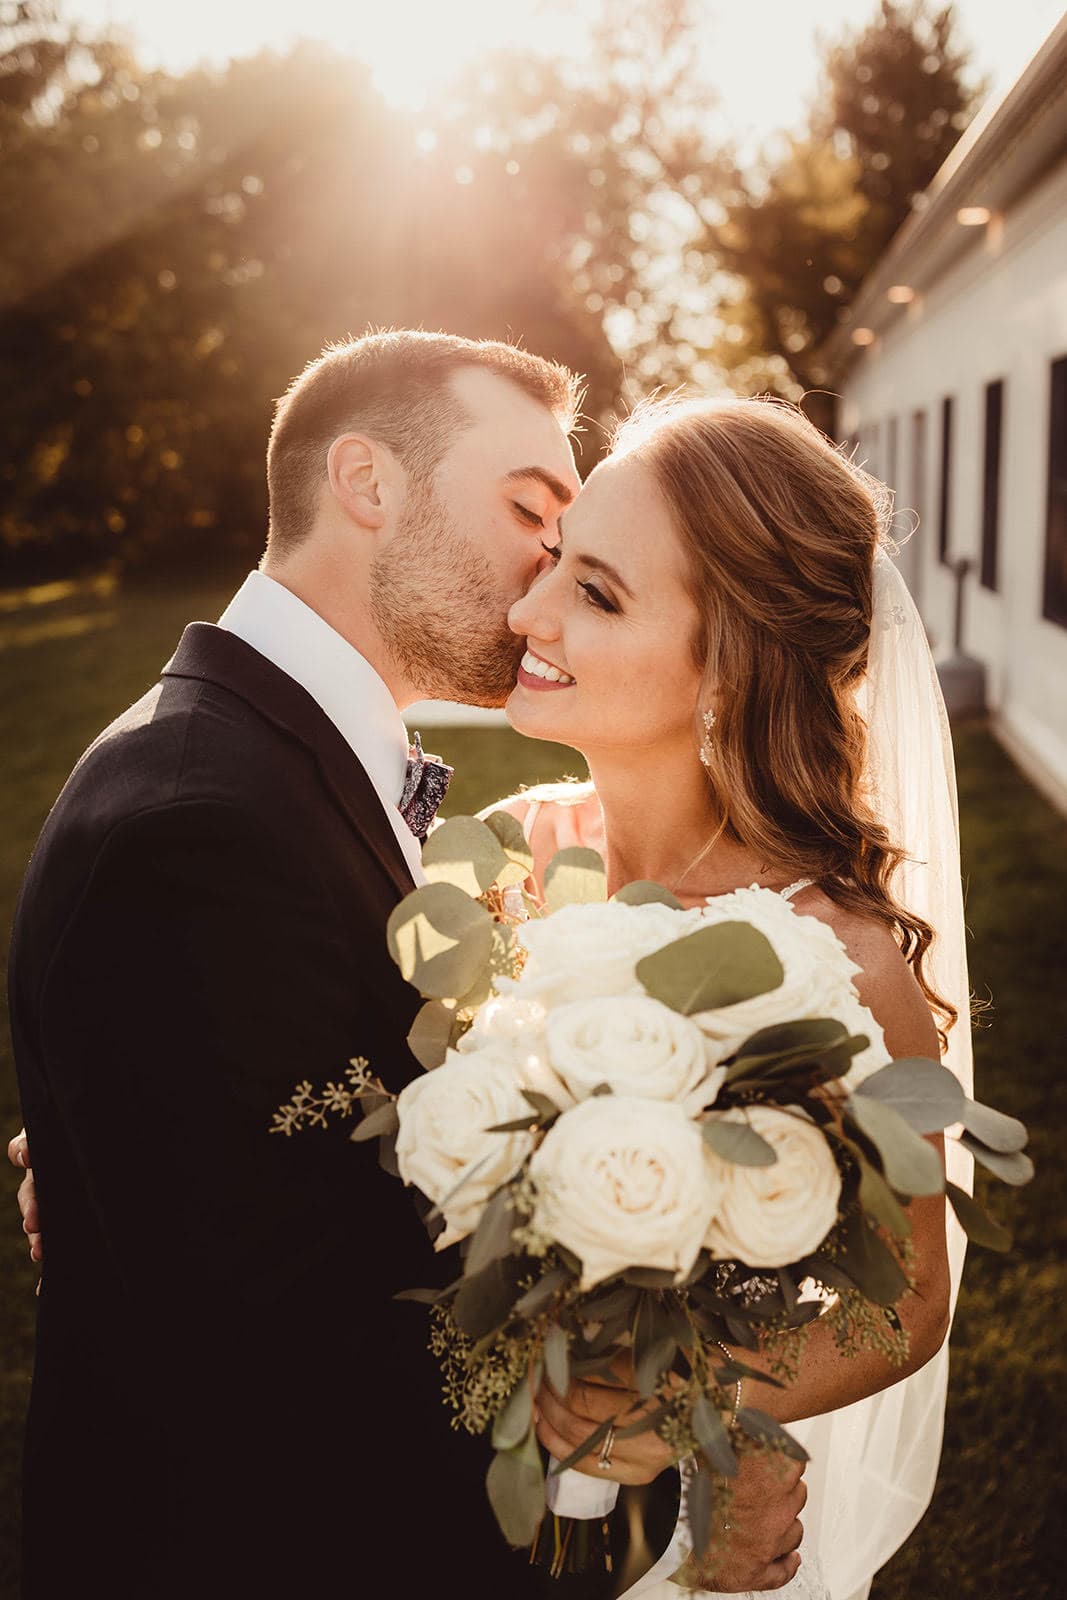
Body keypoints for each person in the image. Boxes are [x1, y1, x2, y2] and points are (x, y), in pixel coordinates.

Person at [5, 332, 807, 1599]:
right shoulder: (196, 827)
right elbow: (286, 1356)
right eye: (528, 511)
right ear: (366, 485)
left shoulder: (267, 767)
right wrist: (644, 1462)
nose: (548, 567)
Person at [487, 393, 972, 1600]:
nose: (525, 612)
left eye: (596, 593)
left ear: (728, 669)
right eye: (554, 561)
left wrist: (691, 1400)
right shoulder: (500, 863)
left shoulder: (835, 958)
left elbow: (911, 1299)